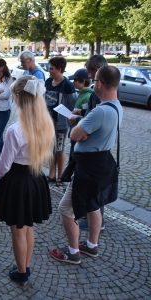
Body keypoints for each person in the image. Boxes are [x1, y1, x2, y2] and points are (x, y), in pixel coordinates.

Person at [49, 66, 123, 264]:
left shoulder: (100, 112)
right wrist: (84, 123)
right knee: (93, 205)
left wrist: (78, 123)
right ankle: (92, 246)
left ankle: (73, 252)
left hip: (88, 167)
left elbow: (74, 135)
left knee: (66, 208)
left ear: (100, 83)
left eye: (94, 78)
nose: (92, 81)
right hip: (102, 163)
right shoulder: (117, 106)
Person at [0, 76, 55, 286]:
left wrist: (1, 176)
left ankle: (21, 272)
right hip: (36, 179)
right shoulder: (46, 125)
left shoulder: (15, 130)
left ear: (18, 97)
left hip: (17, 183)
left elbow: (4, 166)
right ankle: (25, 266)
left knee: (18, 230)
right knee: (28, 226)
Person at [68, 55, 109, 230]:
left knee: (94, 187)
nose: (91, 77)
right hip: (93, 142)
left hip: (93, 145)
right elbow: (92, 114)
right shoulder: (100, 90)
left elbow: (96, 117)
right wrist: (82, 114)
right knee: (92, 185)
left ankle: (96, 222)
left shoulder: (101, 92)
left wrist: (79, 121)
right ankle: (92, 217)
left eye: (92, 73)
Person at [44, 57, 77, 187]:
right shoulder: (48, 82)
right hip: (49, 123)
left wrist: (69, 118)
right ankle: (52, 175)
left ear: (59, 69)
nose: (49, 71)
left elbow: (73, 105)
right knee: (52, 149)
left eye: (51, 68)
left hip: (61, 124)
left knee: (59, 149)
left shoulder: (67, 85)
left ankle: (61, 176)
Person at [67, 68, 92, 162]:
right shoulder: (81, 94)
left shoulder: (87, 96)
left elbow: (87, 116)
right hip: (75, 130)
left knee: (74, 158)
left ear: (82, 81)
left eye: (75, 80)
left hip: (79, 133)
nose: (73, 82)